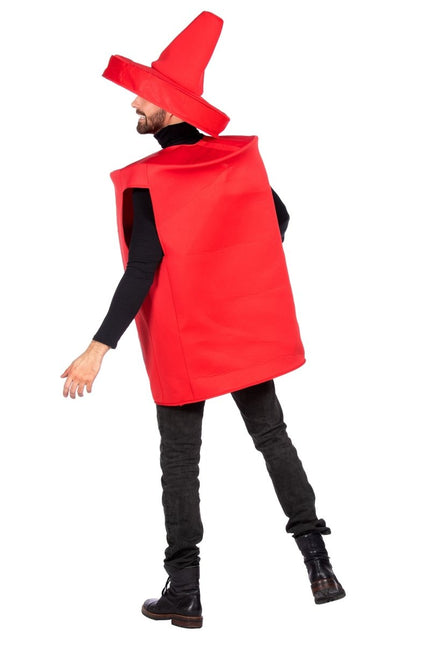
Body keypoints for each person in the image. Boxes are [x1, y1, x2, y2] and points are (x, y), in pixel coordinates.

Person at [61, 11, 345, 629]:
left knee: (180, 460)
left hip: (184, 339)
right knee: (272, 437)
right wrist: (227, 276)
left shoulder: (151, 180)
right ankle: (320, 567)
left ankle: (184, 592)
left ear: (169, 107)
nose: (134, 103)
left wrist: (97, 348)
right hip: (238, 329)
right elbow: (277, 221)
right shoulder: (234, 162)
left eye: (144, 95)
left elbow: (144, 268)